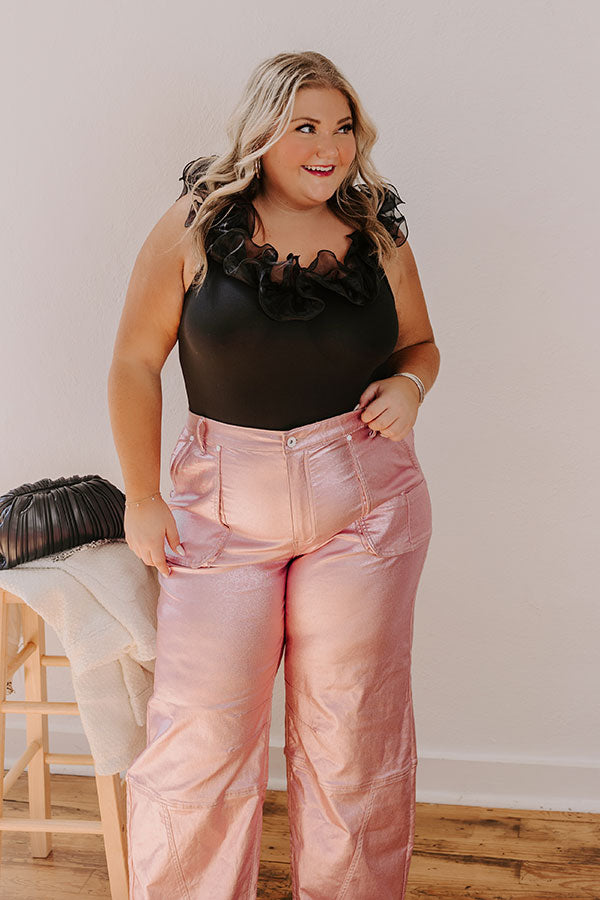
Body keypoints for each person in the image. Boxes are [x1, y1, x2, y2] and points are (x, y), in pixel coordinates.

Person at [108, 49, 440, 900]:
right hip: (220, 506)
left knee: (354, 733)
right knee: (202, 734)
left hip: (365, 500)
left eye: (342, 128)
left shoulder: (378, 231)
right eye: (305, 127)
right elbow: (135, 361)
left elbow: (420, 345)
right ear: (262, 132)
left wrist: (410, 386)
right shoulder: (196, 222)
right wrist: (142, 496)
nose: (329, 148)